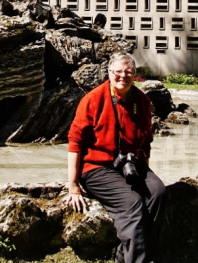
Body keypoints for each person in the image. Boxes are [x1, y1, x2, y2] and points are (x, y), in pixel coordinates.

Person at [66, 52, 165, 263]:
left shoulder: (143, 101)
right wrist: (73, 185)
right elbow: (75, 142)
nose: (123, 76)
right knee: (133, 202)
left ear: (135, 74)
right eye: (118, 72)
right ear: (109, 72)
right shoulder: (92, 99)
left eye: (128, 72)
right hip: (97, 168)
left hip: (131, 165)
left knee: (157, 192)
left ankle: (130, 255)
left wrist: (145, 174)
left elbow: (146, 142)